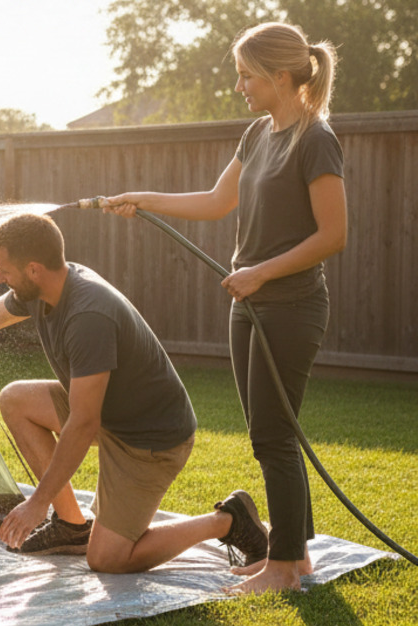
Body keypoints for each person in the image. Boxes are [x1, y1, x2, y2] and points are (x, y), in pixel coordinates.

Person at [0, 212, 268, 578]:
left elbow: (83, 423)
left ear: (33, 269)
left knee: (108, 560)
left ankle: (229, 520)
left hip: (148, 440)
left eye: (3, 271)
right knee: (15, 400)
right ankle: (73, 525)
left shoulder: (87, 316)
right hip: (113, 415)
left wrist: (37, 501)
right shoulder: (45, 290)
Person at [103, 22, 346, 594]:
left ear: (281, 76)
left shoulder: (316, 139)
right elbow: (217, 202)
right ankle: (296, 558)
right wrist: (144, 197)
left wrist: (259, 271)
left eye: (246, 75)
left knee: (274, 436)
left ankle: (285, 566)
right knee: (271, 433)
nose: (239, 85)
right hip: (251, 304)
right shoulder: (258, 134)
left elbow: (334, 234)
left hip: (290, 306)